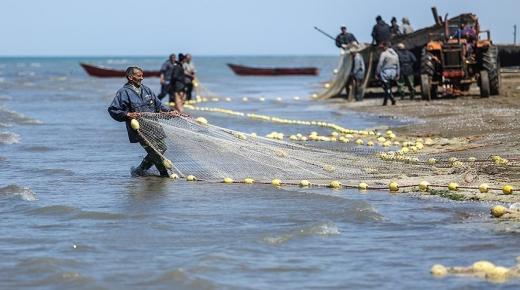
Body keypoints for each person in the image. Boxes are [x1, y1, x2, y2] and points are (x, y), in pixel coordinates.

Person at [108, 66, 178, 178]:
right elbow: (113, 110)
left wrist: (171, 112)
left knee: (162, 148)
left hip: (154, 126)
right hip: (139, 130)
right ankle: (164, 175)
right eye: (139, 75)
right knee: (154, 151)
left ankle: (140, 170)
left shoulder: (147, 89)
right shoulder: (123, 92)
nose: (142, 78)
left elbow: (159, 106)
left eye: (142, 75)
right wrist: (127, 114)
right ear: (130, 77)